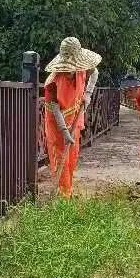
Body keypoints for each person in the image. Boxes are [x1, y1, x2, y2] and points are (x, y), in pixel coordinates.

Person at [44, 37, 101, 197]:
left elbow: (95, 72)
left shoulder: (82, 68)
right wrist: (64, 131)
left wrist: (88, 94)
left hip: (74, 119)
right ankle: (63, 197)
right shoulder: (53, 81)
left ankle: (68, 190)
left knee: (72, 156)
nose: (70, 72)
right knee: (60, 157)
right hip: (57, 124)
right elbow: (54, 107)